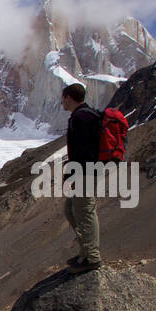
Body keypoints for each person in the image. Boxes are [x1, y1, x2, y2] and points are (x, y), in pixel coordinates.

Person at [60, 82, 102, 274]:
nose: (62, 102)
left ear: (69, 97)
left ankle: (91, 257)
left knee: (85, 211)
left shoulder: (81, 118)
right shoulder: (85, 115)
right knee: (71, 209)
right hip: (86, 170)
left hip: (85, 171)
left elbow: (82, 150)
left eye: (63, 98)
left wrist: (76, 174)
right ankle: (85, 250)